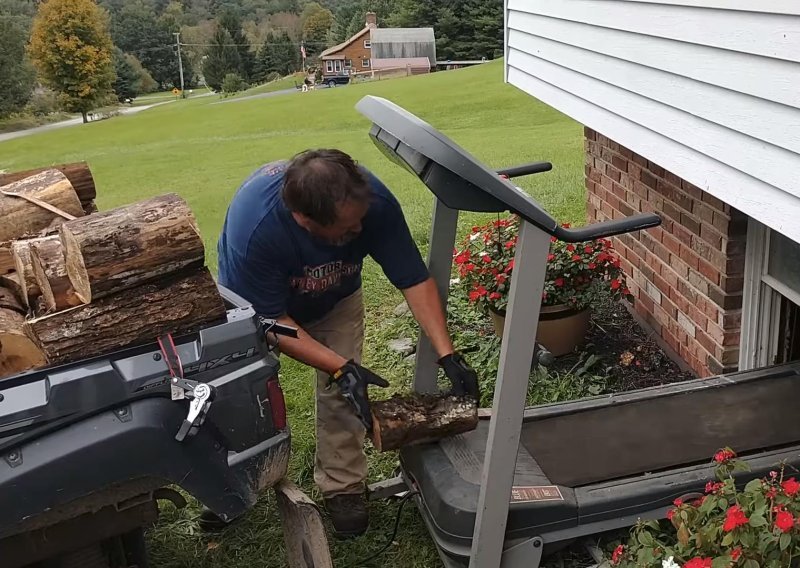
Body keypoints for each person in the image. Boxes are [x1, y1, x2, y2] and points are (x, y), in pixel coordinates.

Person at [216, 149, 479, 538]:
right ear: (304, 220)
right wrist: (338, 365)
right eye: (346, 230)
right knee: (236, 395)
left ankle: (343, 489)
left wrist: (448, 354)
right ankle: (226, 488)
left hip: (335, 298)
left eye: (360, 224)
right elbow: (271, 322)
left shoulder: (373, 203)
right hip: (255, 307)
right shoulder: (256, 227)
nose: (358, 233)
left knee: (345, 392)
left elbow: (412, 278)